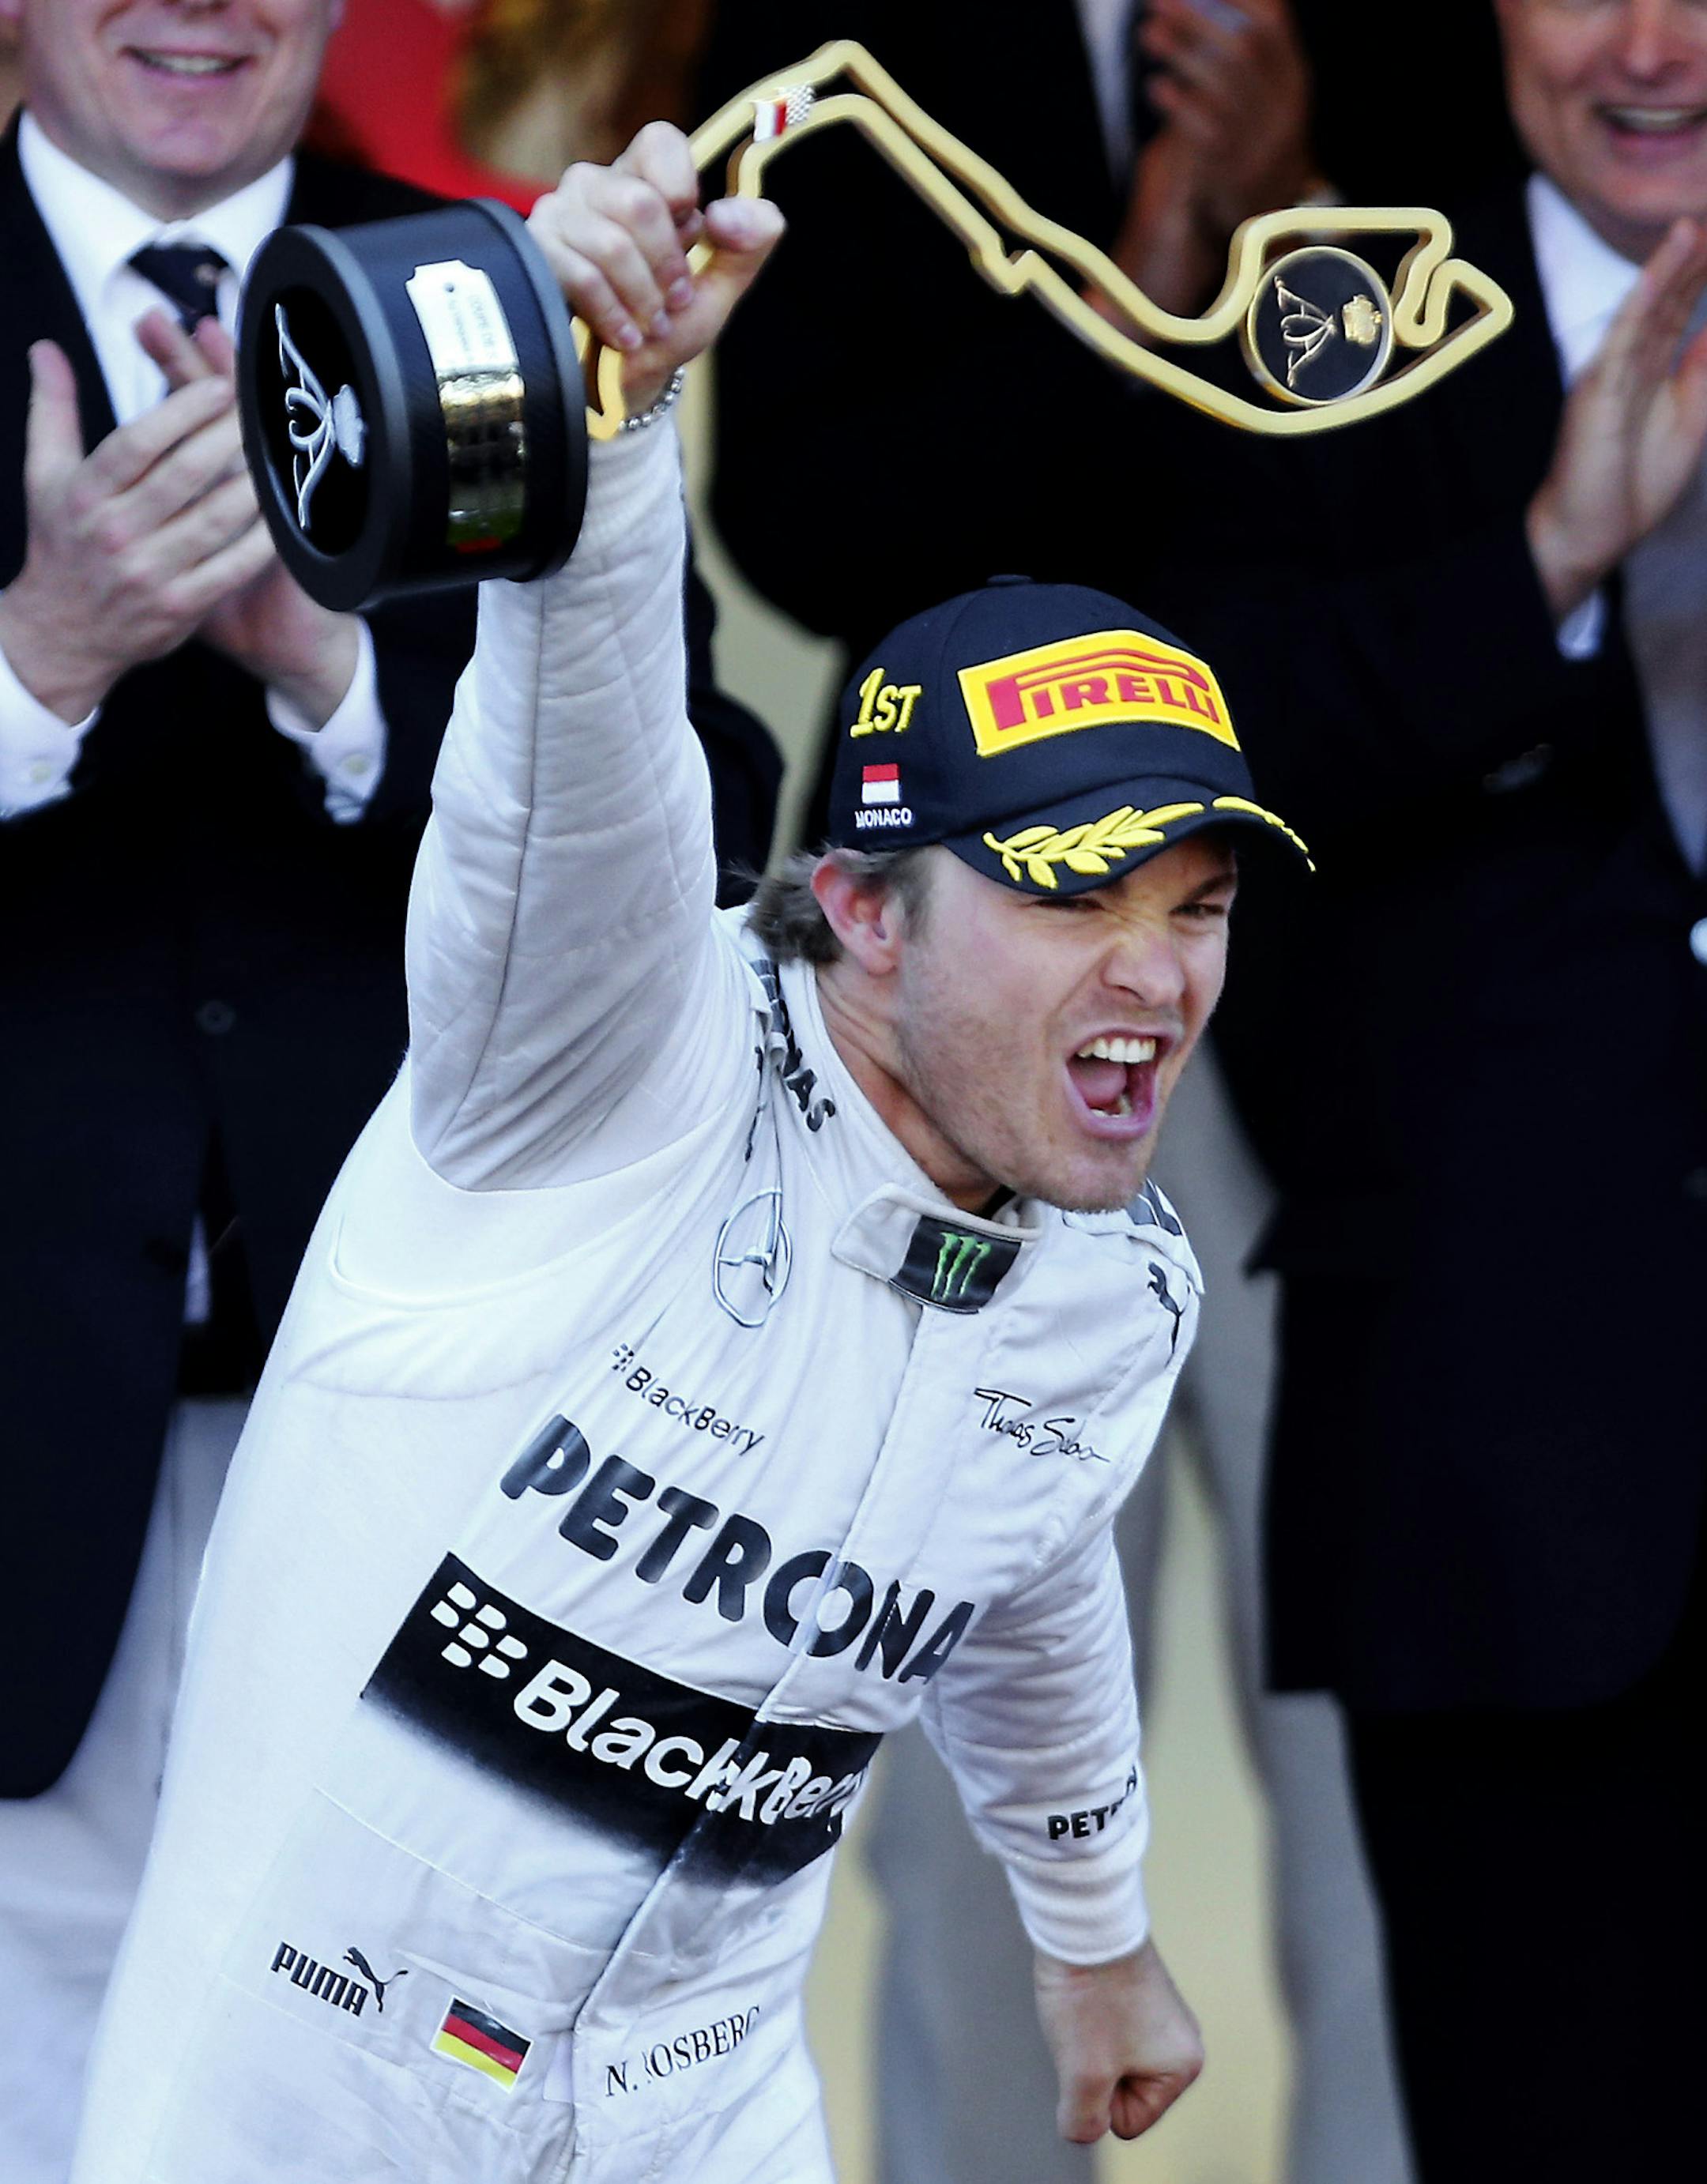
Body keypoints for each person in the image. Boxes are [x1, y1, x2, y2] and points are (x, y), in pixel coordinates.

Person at [70, 121, 1318, 2184]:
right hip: (307, 2080)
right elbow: (584, 768)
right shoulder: (603, 1065)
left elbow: (1027, 1566)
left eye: (1195, 903)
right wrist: (617, 431)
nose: (1155, 972)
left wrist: (1097, 1943)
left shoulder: (1113, 1285)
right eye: (1075, 891)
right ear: (858, 903)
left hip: (698, 2100)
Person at [0, 7, 776, 2178]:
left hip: (425, 1472)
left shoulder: (492, 291)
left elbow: (703, 835)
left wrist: (339, 670)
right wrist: (38, 662)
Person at [696, 6, 1417, 2179]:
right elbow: (808, 519)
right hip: (957, 1021)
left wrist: (1287, 219)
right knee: (938, 1757)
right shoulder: (846, 34)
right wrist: (1138, 286)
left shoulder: (1421, 49)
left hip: (1360, 995)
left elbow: (1439, 483)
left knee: (1389, 1761)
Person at [1148, 2, 1707, 2174]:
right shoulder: (1327, 308)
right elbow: (1205, 748)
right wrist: (1546, 560)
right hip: (1502, 1469)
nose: (1651, 43)